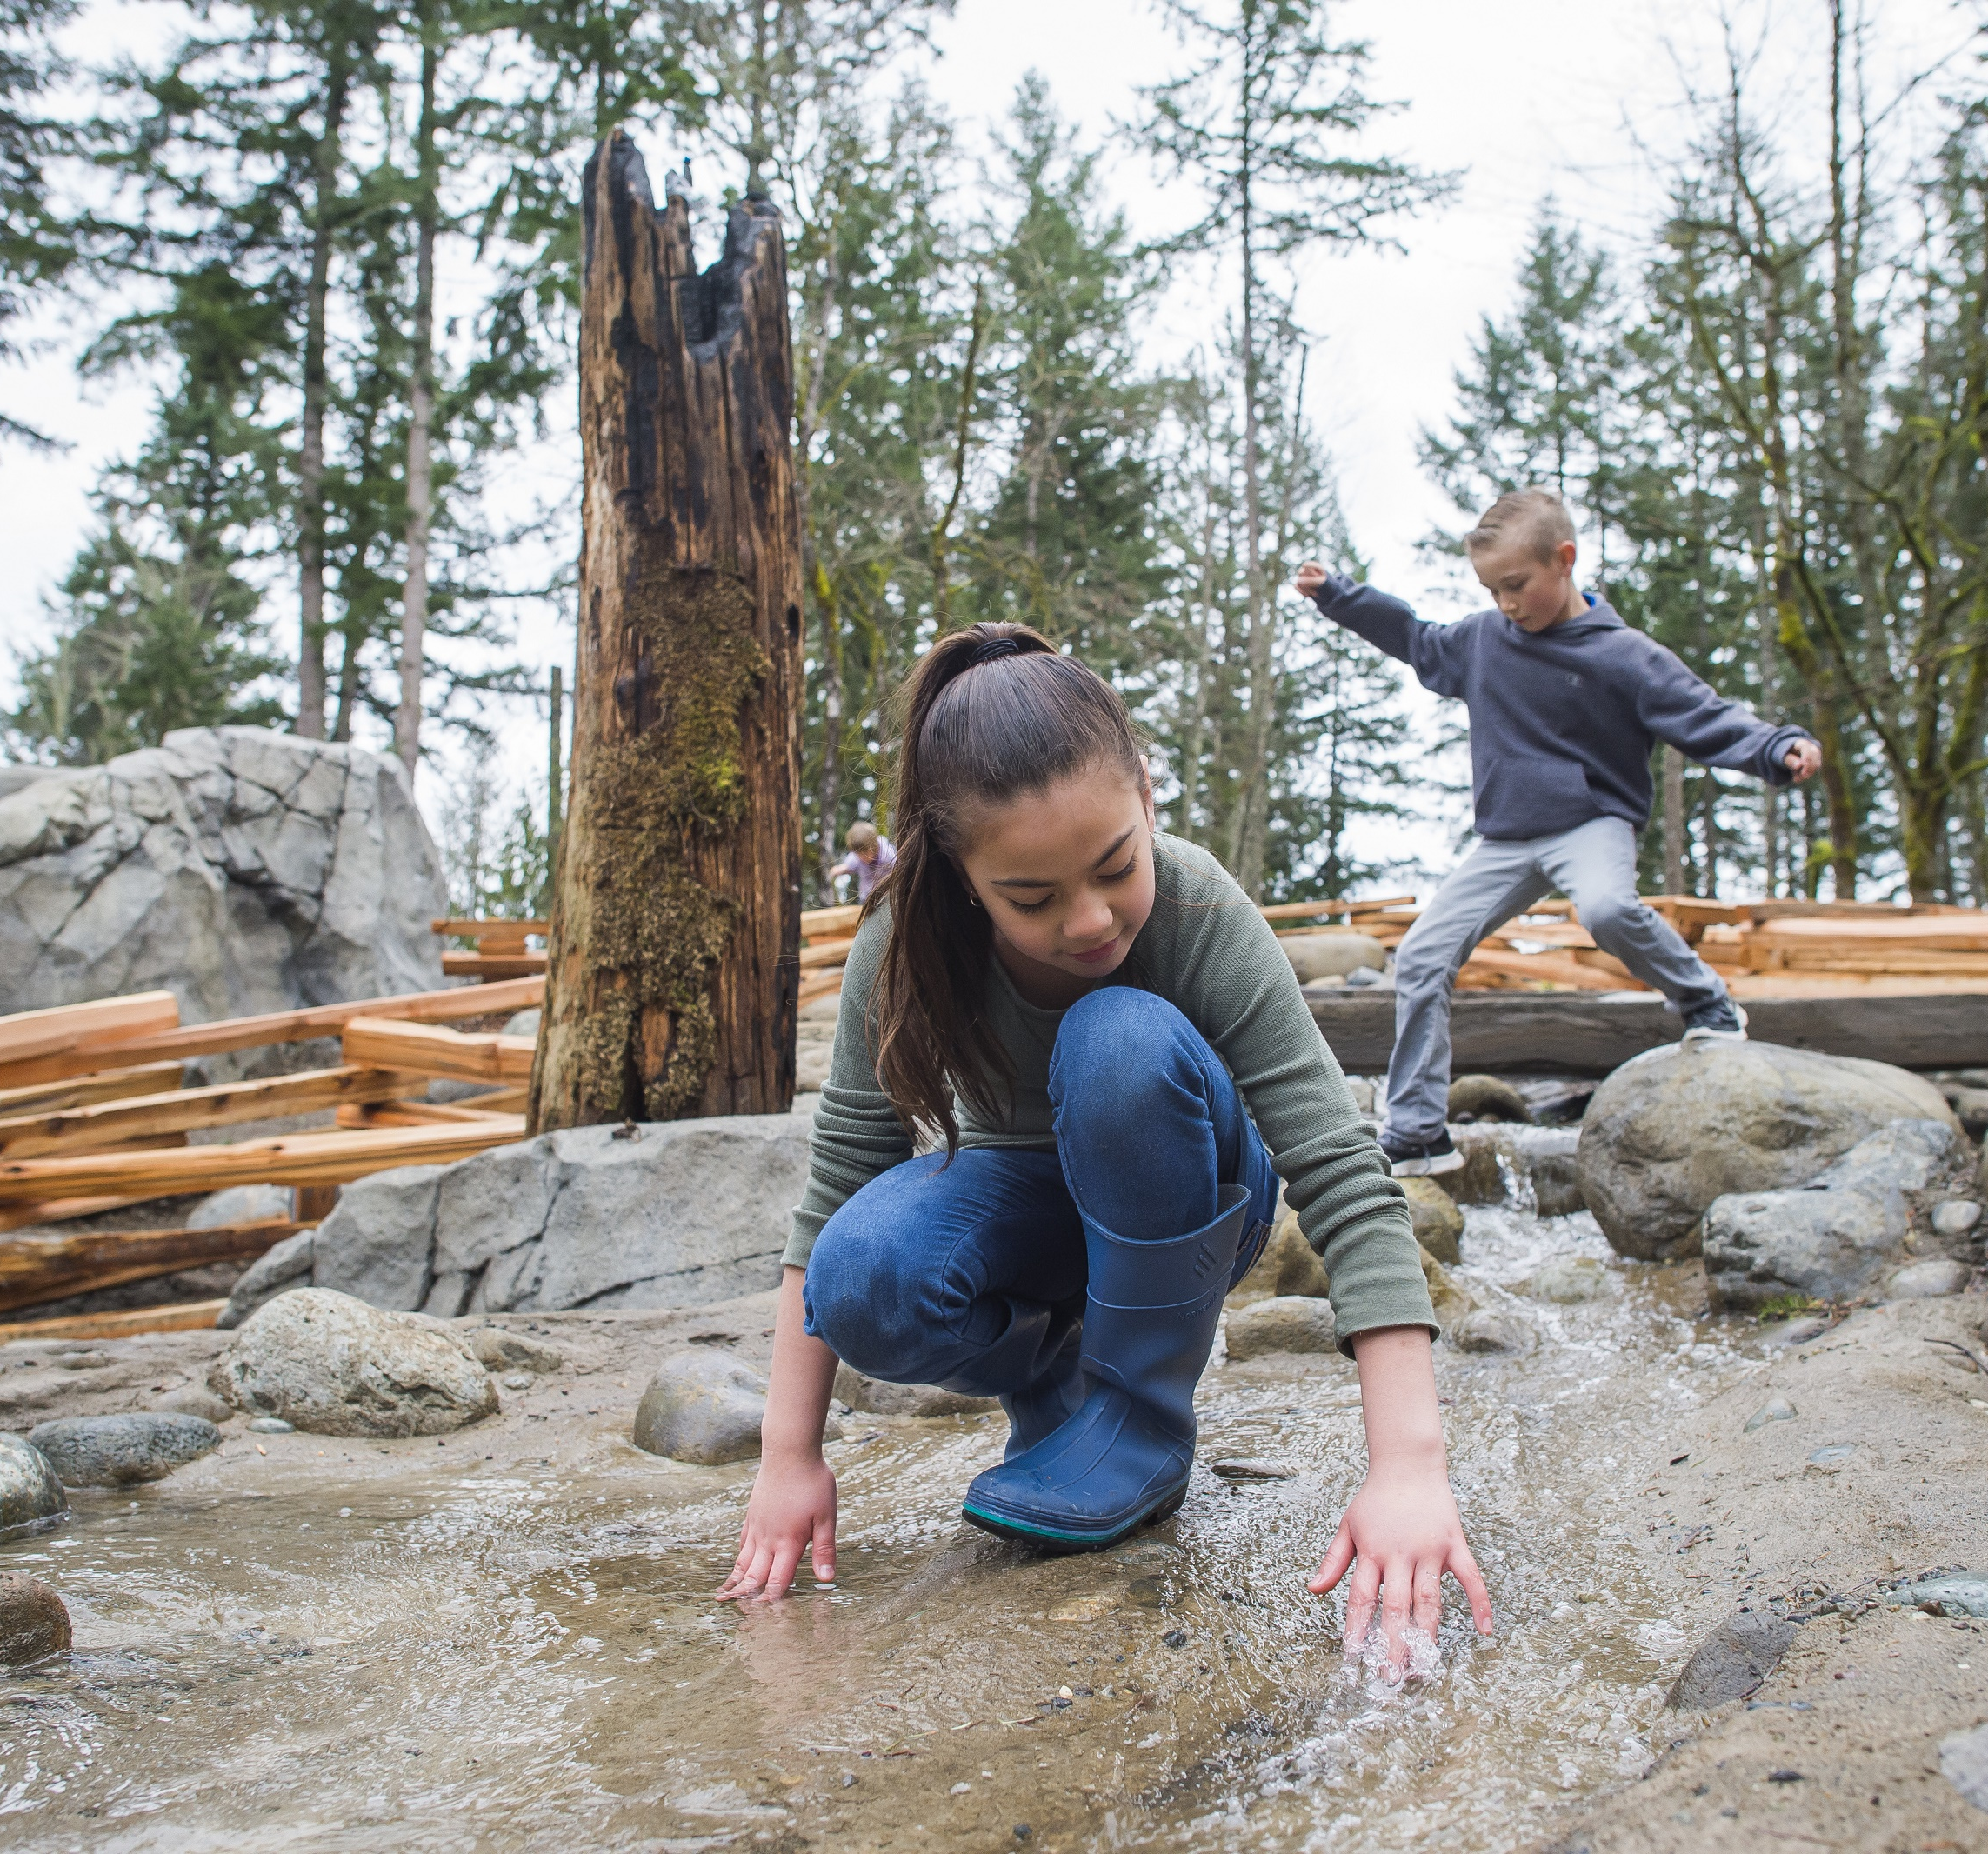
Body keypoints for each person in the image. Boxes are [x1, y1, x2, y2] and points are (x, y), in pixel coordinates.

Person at [719, 622, 1491, 1668]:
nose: (1088, 921)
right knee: (858, 1276)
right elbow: (837, 1189)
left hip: (1187, 1177)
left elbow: (1343, 1171)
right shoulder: (898, 943)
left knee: (1115, 1036)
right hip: (1029, 1206)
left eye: (1114, 866)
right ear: (957, 871)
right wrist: (787, 1454)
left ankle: (1137, 1413)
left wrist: (1407, 1464)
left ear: (1145, 793)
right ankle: (1064, 1382)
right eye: (1030, 898)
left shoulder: (1201, 906)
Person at [1294, 489, 1823, 1178]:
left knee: (1606, 908)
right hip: (1509, 838)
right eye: (1492, 590)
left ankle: (1707, 1004)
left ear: (1564, 560)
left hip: (1591, 822)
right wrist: (1339, 595)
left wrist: (1776, 747)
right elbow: (1415, 636)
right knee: (1423, 953)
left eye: (1517, 586)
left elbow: (1704, 713)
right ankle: (1419, 1131)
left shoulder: (1625, 655)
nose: (1507, 604)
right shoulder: (1484, 642)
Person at [828, 820, 896, 901]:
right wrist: (836, 871)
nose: (862, 857)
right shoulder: (855, 857)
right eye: (858, 854)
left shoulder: (887, 854)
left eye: (865, 853)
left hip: (888, 896)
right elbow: (845, 867)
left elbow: (899, 868)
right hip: (867, 899)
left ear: (874, 847)